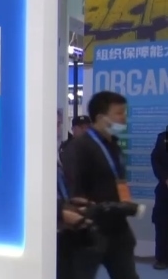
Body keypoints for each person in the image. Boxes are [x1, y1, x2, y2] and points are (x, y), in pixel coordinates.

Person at [60, 91, 139, 279]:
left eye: (124, 113)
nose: (123, 118)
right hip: (90, 230)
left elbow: (118, 180)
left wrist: (125, 203)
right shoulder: (79, 147)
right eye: (118, 113)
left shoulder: (114, 146)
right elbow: (74, 191)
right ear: (101, 117)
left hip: (118, 228)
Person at [152, 126, 168, 269]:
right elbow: (155, 159)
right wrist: (164, 178)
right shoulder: (162, 137)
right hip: (165, 189)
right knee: (162, 223)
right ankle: (161, 259)